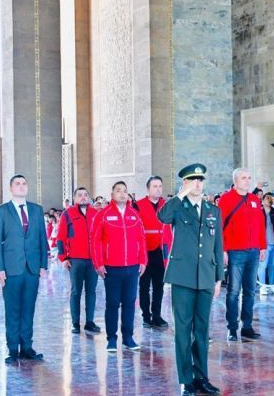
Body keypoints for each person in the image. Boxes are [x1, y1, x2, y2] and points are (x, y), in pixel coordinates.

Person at [158, 163, 223, 396]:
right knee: (183, 331)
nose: (198, 184)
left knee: (203, 331)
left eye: (200, 180)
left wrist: (218, 279)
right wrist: (179, 195)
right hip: (183, 278)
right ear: (185, 183)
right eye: (193, 180)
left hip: (206, 277)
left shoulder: (213, 211)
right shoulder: (177, 207)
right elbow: (162, 216)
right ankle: (186, 380)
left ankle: (202, 377)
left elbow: (218, 246)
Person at [0, 175, 49, 364]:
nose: (22, 186)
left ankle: (27, 347)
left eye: (24, 183)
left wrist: (43, 264)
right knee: (12, 309)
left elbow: (42, 239)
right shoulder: (1, 212)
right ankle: (13, 349)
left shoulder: (36, 210)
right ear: (11, 188)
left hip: (32, 268)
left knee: (28, 309)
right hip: (11, 268)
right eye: (18, 184)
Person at [92, 181, 147, 352]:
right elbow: (95, 241)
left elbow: (142, 239)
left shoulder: (134, 215)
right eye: (118, 191)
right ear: (112, 194)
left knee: (130, 303)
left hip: (132, 267)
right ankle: (111, 338)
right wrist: (98, 263)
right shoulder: (103, 215)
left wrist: (143, 260)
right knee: (113, 303)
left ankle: (128, 337)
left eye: (125, 191)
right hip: (111, 267)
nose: (122, 194)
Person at [218, 168, 265, 342]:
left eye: (249, 178)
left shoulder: (254, 199)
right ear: (236, 181)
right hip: (235, 252)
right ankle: (232, 327)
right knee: (233, 291)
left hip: (253, 251)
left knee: (251, 292)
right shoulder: (226, 199)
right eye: (244, 178)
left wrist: (262, 246)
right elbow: (220, 226)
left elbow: (260, 224)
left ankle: (247, 326)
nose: (247, 181)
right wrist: (223, 250)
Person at [56, 187, 101, 335]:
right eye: (80, 195)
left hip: (93, 260)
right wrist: (63, 258)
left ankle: (89, 322)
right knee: (76, 291)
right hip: (75, 260)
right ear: (74, 198)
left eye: (85, 195)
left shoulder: (95, 214)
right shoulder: (67, 214)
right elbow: (61, 238)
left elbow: (101, 237)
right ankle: (75, 323)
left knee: (91, 291)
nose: (83, 197)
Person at [135, 176, 173, 328]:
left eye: (160, 186)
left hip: (161, 251)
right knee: (144, 285)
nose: (158, 189)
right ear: (148, 189)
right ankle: (146, 316)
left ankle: (157, 315)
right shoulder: (138, 205)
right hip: (145, 251)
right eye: (155, 186)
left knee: (159, 285)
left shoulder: (167, 205)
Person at [258, 192, 274, 295]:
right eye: (267, 198)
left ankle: (272, 286)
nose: (269, 200)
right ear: (262, 200)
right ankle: (263, 286)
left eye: (270, 198)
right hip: (264, 244)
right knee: (263, 266)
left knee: (273, 265)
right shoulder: (259, 212)